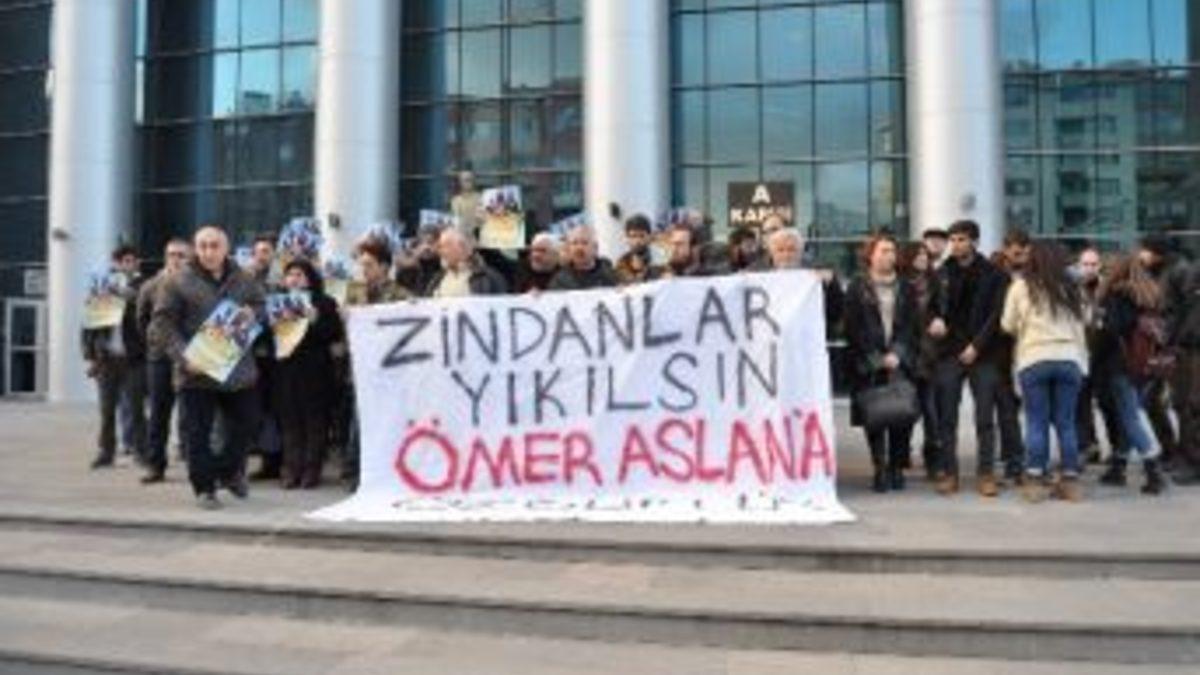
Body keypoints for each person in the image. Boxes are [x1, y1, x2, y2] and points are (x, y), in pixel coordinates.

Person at [150, 226, 265, 510]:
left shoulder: (244, 278)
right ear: (195, 249)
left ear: (226, 248)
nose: (208, 252)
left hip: (237, 370)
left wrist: (254, 313)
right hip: (196, 372)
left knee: (249, 423)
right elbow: (162, 324)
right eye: (202, 246)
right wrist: (184, 357)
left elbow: (261, 305)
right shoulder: (177, 281)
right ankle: (204, 488)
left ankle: (228, 471)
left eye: (215, 246)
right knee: (197, 435)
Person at [1000, 243, 1089, 502]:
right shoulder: (1073, 287)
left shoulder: (1020, 287)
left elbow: (1007, 324)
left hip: (1034, 358)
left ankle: (1035, 480)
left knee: (1036, 421)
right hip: (1069, 359)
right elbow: (1087, 318)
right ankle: (1070, 481)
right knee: (1066, 422)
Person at [927, 220, 1009, 497]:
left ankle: (986, 474)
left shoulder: (994, 274)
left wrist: (977, 346)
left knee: (985, 417)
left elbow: (997, 315)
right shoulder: (941, 273)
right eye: (952, 240)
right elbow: (929, 308)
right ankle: (949, 473)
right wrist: (934, 319)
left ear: (974, 241)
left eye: (961, 239)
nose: (956, 244)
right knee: (946, 417)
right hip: (949, 352)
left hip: (984, 353)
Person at [845, 234, 920, 492]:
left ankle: (897, 467)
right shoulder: (858, 286)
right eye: (883, 250)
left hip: (901, 360)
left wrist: (897, 353)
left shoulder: (906, 287)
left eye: (892, 251)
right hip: (869, 361)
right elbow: (853, 328)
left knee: (902, 414)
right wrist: (877, 357)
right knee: (875, 416)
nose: (889, 255)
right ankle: (879, 468)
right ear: (871, 255)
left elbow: (912, 326)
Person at [1095, 255, 1167, 495]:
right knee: (1130, 413)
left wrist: (1096, 357)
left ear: (1116, 272)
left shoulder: (1117, 296)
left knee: (1130, 416)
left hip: (1121, 364)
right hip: (1145, 364)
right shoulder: (1149, 295)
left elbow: (1112, 330)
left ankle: (1153, 468)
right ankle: (1118, 466)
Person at [342, 238, 410, 491]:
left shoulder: (401, 295)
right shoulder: (354, 291)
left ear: (384, 266)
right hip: (361, 367)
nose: (364, 270)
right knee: (357, 421)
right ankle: (354, 471)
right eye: (362, 265)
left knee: (386, 421)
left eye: (369, 265)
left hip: (389, 369)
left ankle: (383, 470)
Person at [272, 259, 345, 489]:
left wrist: (315, 320)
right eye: (290, 275)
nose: (294, 279)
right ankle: (291, 469)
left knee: (315, 421)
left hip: (315, 370)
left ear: (310, 278)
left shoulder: (324, 302)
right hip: (286, 370)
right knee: (290, 421)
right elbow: (268, 336)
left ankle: (311, 470)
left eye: (299, 274)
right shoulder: (278, 303)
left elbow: (334, 334)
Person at [82, 245, 148, 470]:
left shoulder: (143, 286)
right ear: (115, 264)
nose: (125, 265)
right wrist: (91, 356)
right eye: (121, 262)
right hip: (107, 359)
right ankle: (106, 452)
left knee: (136, 408)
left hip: (133, 359)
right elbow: (89, 326)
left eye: (130, 261)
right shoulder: (102, 286)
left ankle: (141, 452)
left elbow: (147, 312)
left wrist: (127, 297)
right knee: (106, 409)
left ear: (136, 263)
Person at [135, 238, 191, 483]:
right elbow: (141, 319)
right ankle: (155, 465)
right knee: (158, 412)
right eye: (171, 254)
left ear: (189, 259)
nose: (176, 259)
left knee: (191, 413)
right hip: (159, 357)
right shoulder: (150, 286)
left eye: (181, 255)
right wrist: (154, 341)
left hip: (190, 358)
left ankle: (193, 463)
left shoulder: (197, 285)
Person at [1135, 235, 1182, 467]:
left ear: (1155, 252)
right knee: (1151, 400)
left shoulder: (1176, 273)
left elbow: (1176, 311)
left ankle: (1182, 453)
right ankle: (1170, 449)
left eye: (1143, 249)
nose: (1140, 254)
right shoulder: (1151, 273)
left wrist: (1163, 331)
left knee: (1180, 402)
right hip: (1158, 346)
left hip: (1173, 346)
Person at [1074, 246, 1124, 466]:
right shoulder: (1073, 289)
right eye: (1085, 264)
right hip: (1081, 352)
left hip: (1105, 354)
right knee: (1081, 403)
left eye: (1093, 264)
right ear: (1079, 266)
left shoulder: (1109, 289)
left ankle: (1116, 448)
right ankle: (1088, 446)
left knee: (1108, 403)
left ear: (1100, 265)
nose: (1089, 268)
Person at [990, 231, 1031, 483]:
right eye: (1016, 252)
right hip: (1001, 348)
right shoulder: (995, 272)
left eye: (1024, 252)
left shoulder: (1036, 272)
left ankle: (1021, 456)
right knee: (1006, 407)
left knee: (1027, 407)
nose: (1020, 257)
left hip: (1028, 347)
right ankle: (1013, 459)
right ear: (1006, 249)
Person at [898, 242, 941, 478]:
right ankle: (901, 456)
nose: (923, 257)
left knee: (931, 411)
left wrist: (941, 320)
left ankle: (933, 460)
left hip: (931, 355)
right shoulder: (900, 284)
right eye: (918, 254)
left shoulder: (935, 282)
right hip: (907, 355)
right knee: (905, 409)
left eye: (925, 254)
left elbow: (944, 310)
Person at [764, 227, 844, 332]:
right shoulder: (755, 274)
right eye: (780, 250)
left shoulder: (816, 273)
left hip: (806, 336)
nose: (786, 255)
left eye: (791, 250)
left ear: (801, 252)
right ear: (771, 253)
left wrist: (831, 284)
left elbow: (836, 312)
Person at [1166, 257, 1200, 484]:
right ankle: (1190, 458)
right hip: (1189, 348)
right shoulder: (1191, 273)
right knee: (1189, 404)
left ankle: (1193, 461)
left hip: (1192, 348)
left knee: (1194, 405)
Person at [426, 228, 509, 297]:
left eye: (445, 246)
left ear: (462, 247)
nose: (440, 252)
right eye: (439, 247)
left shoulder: (489, 278)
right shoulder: (437, 279)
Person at [549, 225, 619, 291]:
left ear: (595, 248)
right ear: (568, 249)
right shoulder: (560, 280)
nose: (579, 248)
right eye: (574, 243)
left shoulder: (610, 274)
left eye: (584, 243)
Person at [614, 215, 655, 285]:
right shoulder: (621, 264)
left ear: (649, 237)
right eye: (633, 236)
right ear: (627, 238)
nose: (637, 241)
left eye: (642, 236)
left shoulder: (659, 261)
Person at [450, 170, 482, 238]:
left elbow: (482, 218)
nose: (469, 182)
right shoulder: (456, 200)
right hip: (463, 234)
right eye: (466, 180)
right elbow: (457, 220)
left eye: (471, 180)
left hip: (478, 233)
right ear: (460, 182)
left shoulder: (480, 198)